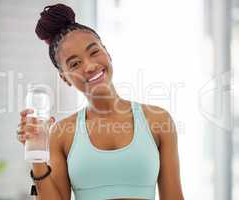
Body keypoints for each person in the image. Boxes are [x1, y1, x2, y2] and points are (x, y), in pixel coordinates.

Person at [16, 3, 184, 200]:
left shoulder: (157, 120)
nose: (89, 66)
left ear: (107, 52)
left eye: (94, 52)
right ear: (64, 78)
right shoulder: (61, 134)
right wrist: (37, 154)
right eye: (75, 63)